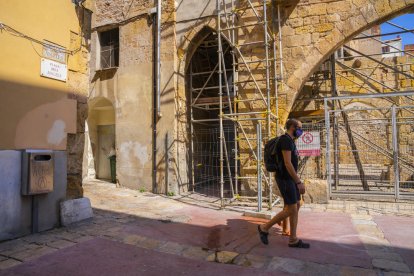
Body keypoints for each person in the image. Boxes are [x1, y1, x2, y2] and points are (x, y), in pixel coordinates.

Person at [257, 119, 310, 248]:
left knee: (297, 204)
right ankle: (264, 228)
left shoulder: (290, 140)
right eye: (300, 128)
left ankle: (292, 238)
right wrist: (298, 182)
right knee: (291, 208)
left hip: (289, 179)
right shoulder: (286, 140)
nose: (301, 131)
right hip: (285, 179)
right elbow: (287, 163)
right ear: (293, 127)